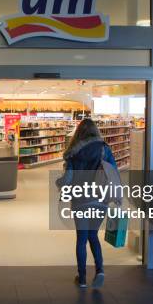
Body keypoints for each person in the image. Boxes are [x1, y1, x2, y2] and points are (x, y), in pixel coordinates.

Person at [56, 119, 119, 289]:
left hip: (81, 200)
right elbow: (113, 173)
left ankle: (82, 278)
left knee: (82, 239)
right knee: (93, 235)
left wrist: (59, 182)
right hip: (100, 200)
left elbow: (67, 180)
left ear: (78, 133)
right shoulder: (104, 149)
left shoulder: (74, 152)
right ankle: (99, 270)